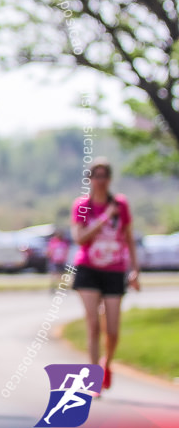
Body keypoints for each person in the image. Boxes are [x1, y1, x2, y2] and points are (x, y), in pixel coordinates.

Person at [70, 157, 140, 390]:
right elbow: (80, 238)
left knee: (112, 330)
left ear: (109, 179)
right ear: (90, 179)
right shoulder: (82, 206)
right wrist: (103, 219)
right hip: (88, 269)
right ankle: (92, 378)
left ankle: (106, 363)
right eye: (96, 176)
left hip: (114, 270)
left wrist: (135, 270)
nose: (100, 181)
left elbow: (129, 238)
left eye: (104, 176)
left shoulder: (121, 205)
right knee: (93, 325)